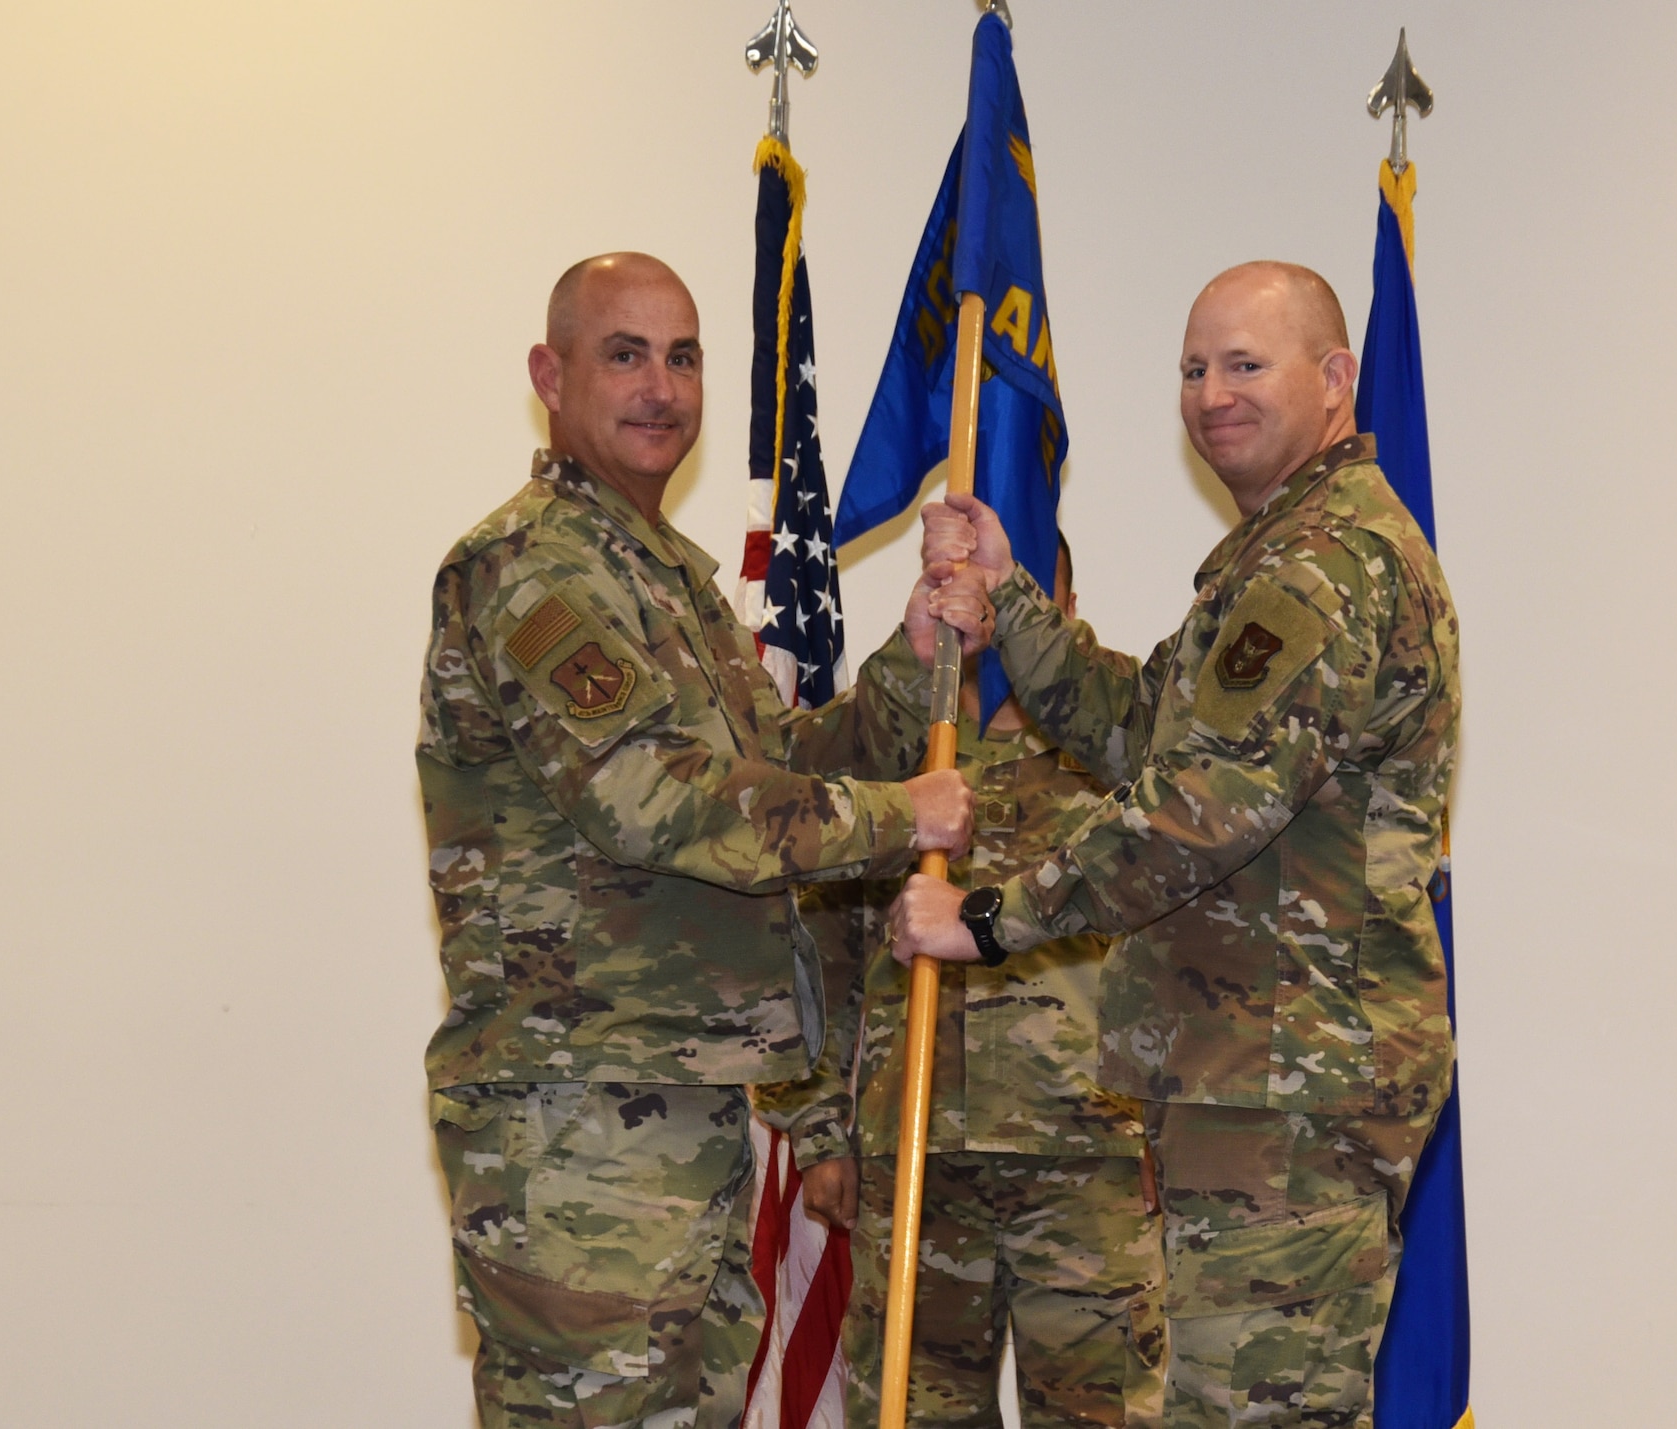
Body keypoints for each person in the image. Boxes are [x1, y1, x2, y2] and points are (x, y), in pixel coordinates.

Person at [417, 252, 992, 1429]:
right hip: (574, 1125)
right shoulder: (528, 564)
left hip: (688, 1106)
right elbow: (647, 795)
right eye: (623, 354)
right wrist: (902, 817)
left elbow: (781, 768)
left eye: (682, 356)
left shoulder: (669, 575)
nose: (660, 387)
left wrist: (909, 656)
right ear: (550, 374)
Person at [894, 261, 1460, 1428]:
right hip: (1253, 1079)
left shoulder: (1324, 564)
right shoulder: (1275, 554)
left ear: (1336, 379)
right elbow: (1141, 729)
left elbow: (1191, 808)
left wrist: (988, 921)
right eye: (1193, 369)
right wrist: (1014, 606)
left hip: (1291, 1089)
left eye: (1245, 364)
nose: (1211, 395)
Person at [754, 536, 1166, 1428]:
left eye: (1004, 589)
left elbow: (1183, 949)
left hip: (1087, 1159)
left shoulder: (1123, 760)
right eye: (957, 583)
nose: (976, 606)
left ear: (1057, 603)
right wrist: (820, 1124)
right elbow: (818, 933)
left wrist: (1176, 1128)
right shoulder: (897, 762)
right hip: (915, 1160)